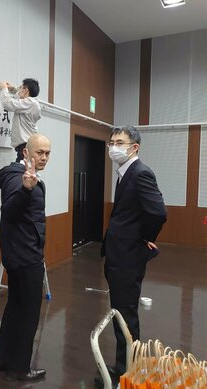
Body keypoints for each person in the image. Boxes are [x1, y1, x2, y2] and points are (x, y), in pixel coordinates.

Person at [95, 126, 167, 388]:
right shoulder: (125, 173)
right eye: (111, 142)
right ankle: (122, 367)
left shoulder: (140, 173)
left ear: (134, 147)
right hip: (119, 253)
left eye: (120, 142)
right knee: (120, 313)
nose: (113, 147)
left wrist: (145, 239)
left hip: (128, 256)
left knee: (126, 315)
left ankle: (128, 373)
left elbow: (158, 212)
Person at [0, 133, 50, 382]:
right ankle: (20, 368)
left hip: (18, 256)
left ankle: (0, 359)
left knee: (15, 308)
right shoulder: (19, 180)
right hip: (26, 258)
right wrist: (27, 189)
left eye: (48, 153)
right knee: (28, 314)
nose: (45, 157)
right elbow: (10, 211)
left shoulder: (20, 176)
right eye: (39, 152)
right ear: (25, 153)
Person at [0, 78, 41, 163]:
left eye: (21, 87)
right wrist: (13, 89)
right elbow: (19, 93)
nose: (19, 89)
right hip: (27, 146)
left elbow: (7, 104)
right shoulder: (32, 103)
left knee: (19, 172)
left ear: (26, 90)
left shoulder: (30, 102)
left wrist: (4, 89)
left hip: (25, 146)